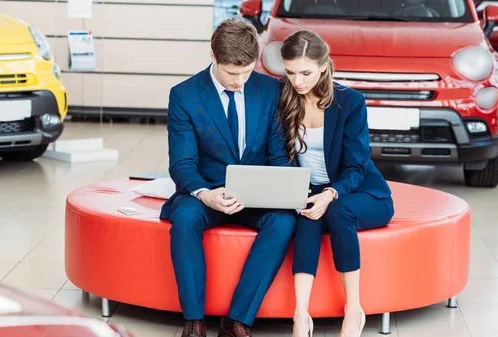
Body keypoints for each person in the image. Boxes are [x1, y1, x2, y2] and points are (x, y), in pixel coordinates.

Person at [159, 18, 297, 337]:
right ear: (213, 56)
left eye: (247, 72)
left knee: (283, 221)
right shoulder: (184, 95)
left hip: (255, 194)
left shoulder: (269, 90)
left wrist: (283, 188)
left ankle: (237, 321)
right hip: (206, 194)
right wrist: (204, 193)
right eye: (232, 73)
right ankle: (193, 322)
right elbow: (181, 164)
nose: (240, 81)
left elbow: (277, 156)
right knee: (184, 218)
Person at [277, 30, 395, 337]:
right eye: (290, 72)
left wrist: (330, 193)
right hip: (312, 190)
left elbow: (356, 165)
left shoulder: (350, 102)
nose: (298, 81)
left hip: (362, 193)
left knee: (337, 210)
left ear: (324, 66)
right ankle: (301, 315)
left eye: (305, 72)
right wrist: (299, 193)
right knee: (307, 214)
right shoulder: (282, 97)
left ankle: (353, 309)